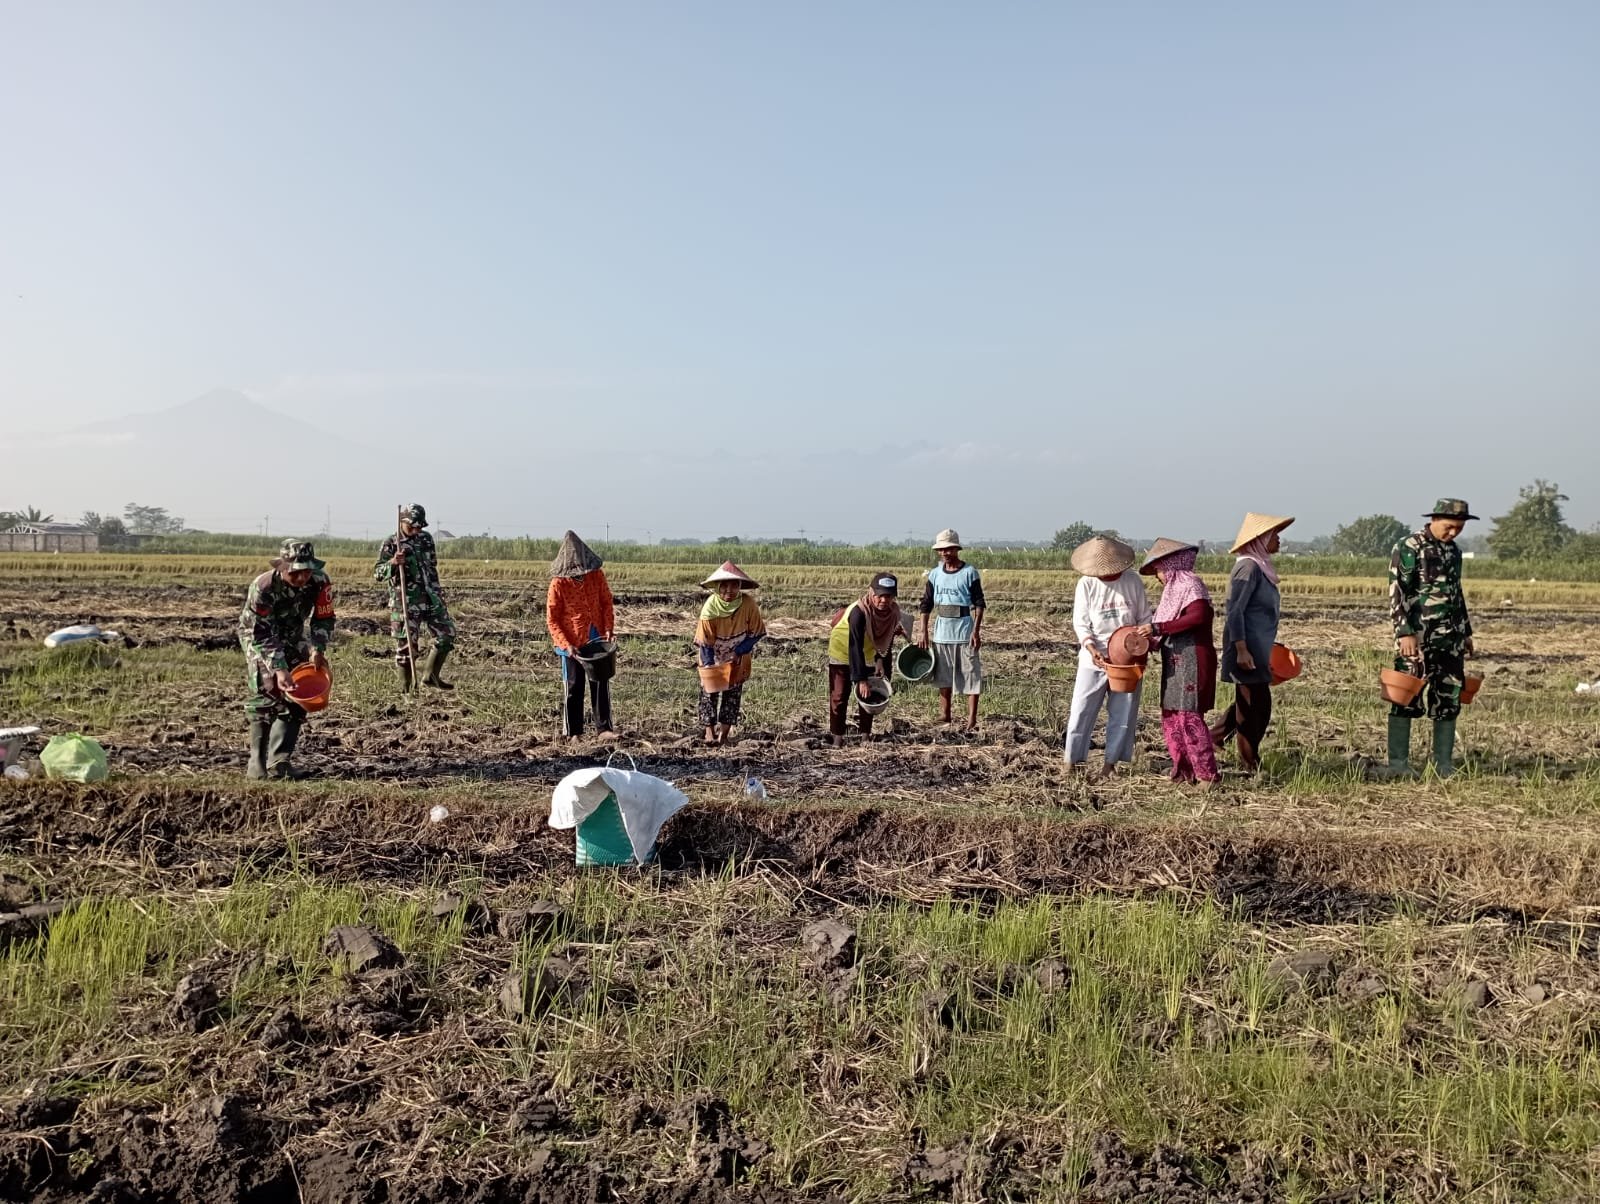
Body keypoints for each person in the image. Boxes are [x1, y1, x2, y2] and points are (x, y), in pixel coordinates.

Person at [1384, 499, 1478, 778]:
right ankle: (1398, 765)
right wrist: (1404, 632)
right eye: (1449, 527)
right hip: (1417, 638)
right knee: (1405, 697)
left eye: (1459, 529)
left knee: (1448, 699)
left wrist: (1466, 631)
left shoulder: (1454, 552)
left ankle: (1443, 765)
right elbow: (1397, 591)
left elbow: (1456, 593)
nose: (1453, 533)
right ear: (1435, 519)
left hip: (1450, 639)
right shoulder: (1410, 546)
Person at [237, 538, 335, 780]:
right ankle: (256, 763)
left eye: (306, 571)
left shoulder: (320, 582)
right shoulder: (263, 587)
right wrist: (279, 668)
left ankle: (280, 761)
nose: (302, 578)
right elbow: (261, 632)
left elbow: (324, 618)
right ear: (282, 567)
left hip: (293, 634)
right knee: (267, 689)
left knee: (297, 690)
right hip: (258, 635)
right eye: (296, 573)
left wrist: (318, 648)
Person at [1212, 512, 1294, 774]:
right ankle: (1250, 763)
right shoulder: (1247, 567)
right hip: (1245, 649)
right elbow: (1235, 610)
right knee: (1253, 707)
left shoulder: (1261, 567)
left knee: (1251, 702)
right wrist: (1241, 648)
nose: (1278, 539)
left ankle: (1212, 738)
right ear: (1260, 539)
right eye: (1274, 535)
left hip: (1258, 649)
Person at [1135, 539, 1219, 786]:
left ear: (1172, 565)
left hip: (1193, 660)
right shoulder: (1172, 592)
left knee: (1189, 717)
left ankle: (1207, 775)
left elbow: (1199, 616)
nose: (1158, 576)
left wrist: (1158, 627)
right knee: (1172, 717)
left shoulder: (1191, 585)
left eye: (1160, 569)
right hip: (1175, 662)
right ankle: (1183, 770)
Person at [1065, 537, 1151, 777]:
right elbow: (1081, 622)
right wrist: (1091, 648)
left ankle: (1110, 764)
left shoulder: (1133, 581)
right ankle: (1072, 761)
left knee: (1123, 713)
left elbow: (1144, 617)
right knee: (1081, 710)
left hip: (1127, 660)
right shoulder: (1086, 584)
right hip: (1094, 658)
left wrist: (1142, 637)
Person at [373, 503, 456, 692]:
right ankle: (407, 690)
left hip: (430, 598)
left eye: (419, 526)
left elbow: (432, 568)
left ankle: (430, 676)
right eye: (412, 526)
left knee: (447, 634)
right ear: (402, 521)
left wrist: (438, 594)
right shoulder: (392, 543)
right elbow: (377, 573)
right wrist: (393, 563)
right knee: (407, 647)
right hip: (405, 602)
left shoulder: (426, 539)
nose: (415, 530)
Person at [546, 531, 618, 741]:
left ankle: (604, 729)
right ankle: (574, 732)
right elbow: (553, 619)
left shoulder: (596, 576)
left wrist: (608, 629)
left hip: (594, 636)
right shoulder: (558, 584)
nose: (579, 573)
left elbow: (606, 603)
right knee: (573, 686)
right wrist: (566, 644)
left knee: (600, 683)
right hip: (569, 642)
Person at [826, 572, 907, 748]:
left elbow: (886, 638)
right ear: (871, 592)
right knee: (839, 695)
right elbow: (854, 645)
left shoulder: (892, 613)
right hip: (842, 650)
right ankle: (838, 737)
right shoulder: (859, 612)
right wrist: (860, 678)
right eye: (880, 595)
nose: (884, 600)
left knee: (868, 694)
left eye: (889, 596)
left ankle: (865, 737)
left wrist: (879, 660)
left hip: (868, 651)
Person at [918, 529, 985, 730]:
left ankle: (971, 720)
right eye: (941, 550)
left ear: (956, 549)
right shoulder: (935, 574)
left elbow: (979, 603)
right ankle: (945, 715)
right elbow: (926, 604)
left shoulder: (969, 572)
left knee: (971, 675)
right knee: (943, 676)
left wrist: (976, 630)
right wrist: (923, 630)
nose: (945, 553)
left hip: (964, 632)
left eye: (949, 549)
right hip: (942, 632)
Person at [694, 561, 767, 745]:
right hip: (712, 652)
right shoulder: (710, 608)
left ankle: (724, 736)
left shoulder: (748, 604)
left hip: (737, 655)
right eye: (724, 586)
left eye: (734, 585)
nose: (729, 590)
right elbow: (705, 642)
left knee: (732, 695)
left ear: (740, 587)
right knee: (709, 693)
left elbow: (756, 633)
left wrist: (739, 651)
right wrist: (710, 665)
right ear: (718, 588)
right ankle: (709, 734)